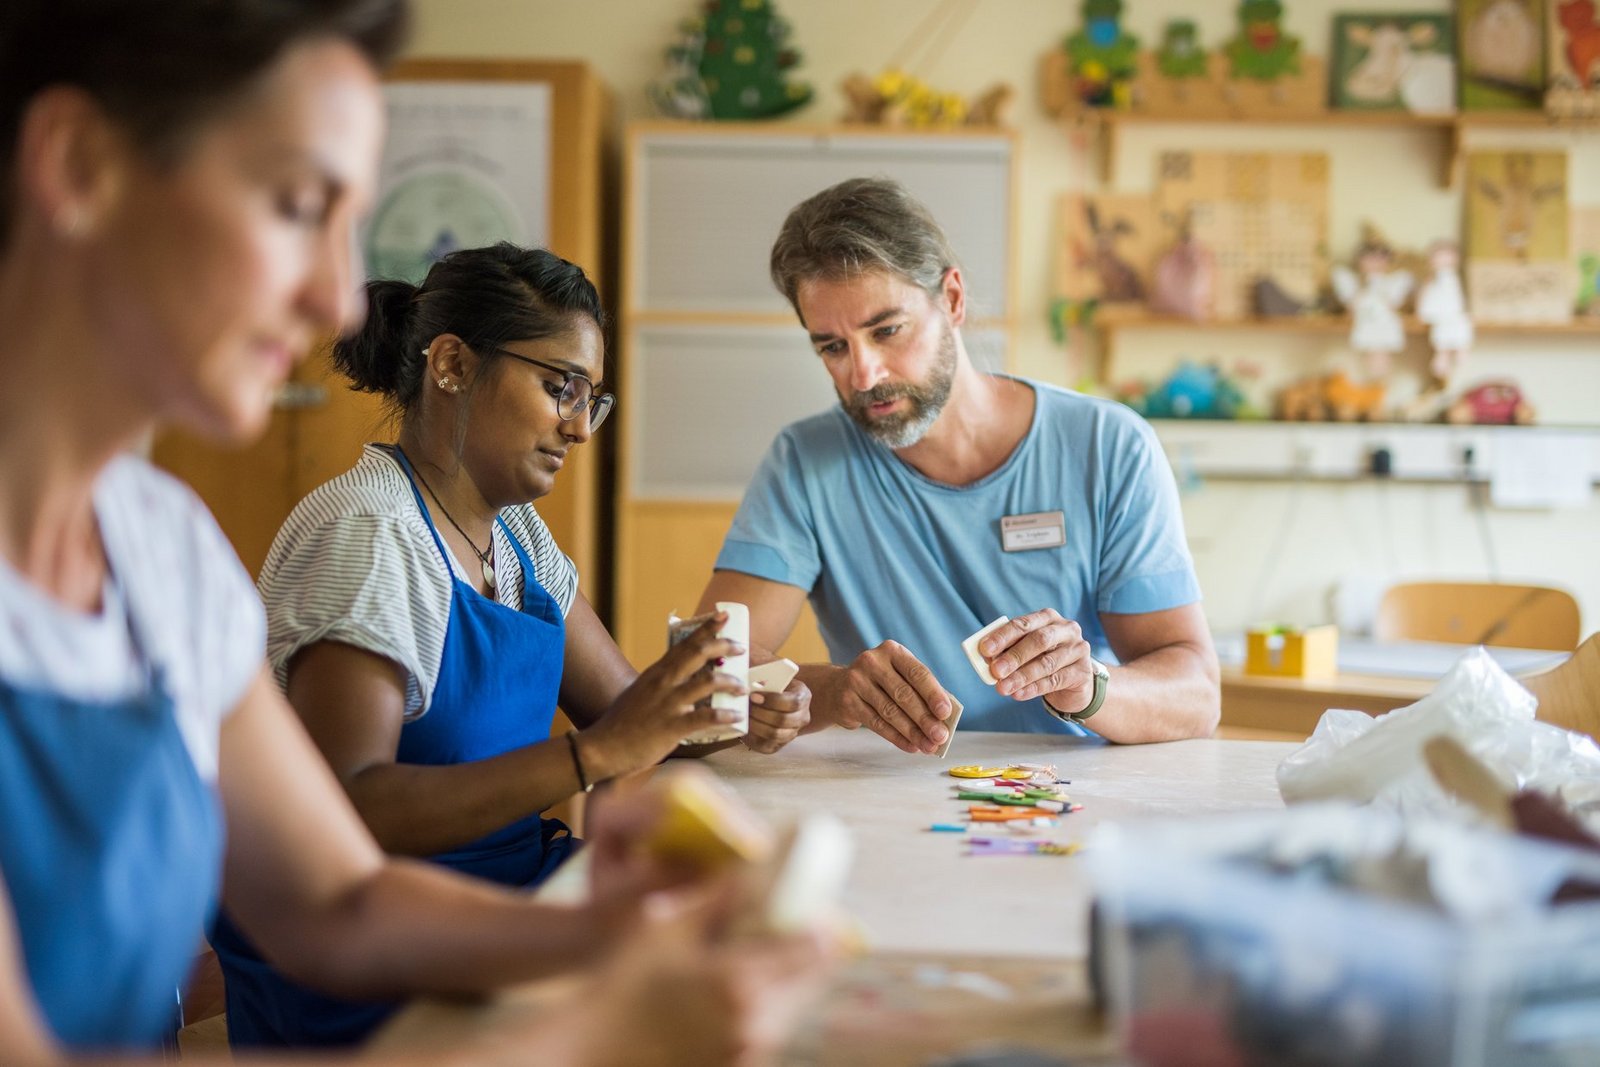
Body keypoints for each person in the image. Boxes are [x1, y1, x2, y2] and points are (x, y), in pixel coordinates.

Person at [0, 2, 828, 1063]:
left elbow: (336, 898)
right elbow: (366, 816)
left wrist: (612, 929)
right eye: (298, 204)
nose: (339, 298)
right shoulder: (361, 528)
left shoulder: (161, 546)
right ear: (78, 165)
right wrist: (595, 1026)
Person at [213, 242, 815, 1047]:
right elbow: (345, 809)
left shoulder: (519, 539)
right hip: (374, 963)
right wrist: (593, 756)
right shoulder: (368, 535)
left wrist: (727, 713)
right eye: (559, 385)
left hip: (500, 905)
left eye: (591, 399)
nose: (577, 424)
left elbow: (629, 714)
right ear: (454, 365)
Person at [697, 177, 1221, 752]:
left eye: (887, 330)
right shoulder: (805, 463)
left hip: (1065, 802)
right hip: (886, 801)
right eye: (833, 347)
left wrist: (1088, 687)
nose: (864, 375)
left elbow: (1196, 693)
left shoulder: (1108, 446)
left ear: (952, 299)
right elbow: (710, 677)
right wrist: (831, 691)